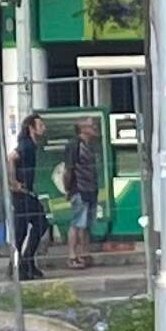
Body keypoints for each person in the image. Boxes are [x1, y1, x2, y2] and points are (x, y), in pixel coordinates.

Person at [8, 109, 53, 282]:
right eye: (40, 125)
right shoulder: (26, 145)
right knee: (31, 226)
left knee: (36, 224)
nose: (43, 128)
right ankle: (21, 264)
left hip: (27, 193)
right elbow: (10, 158)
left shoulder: (32, 146)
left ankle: (26, 261)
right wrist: (14, 182)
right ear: (31, 128)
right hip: (22, 194)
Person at [55, 114, 103, 269]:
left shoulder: (89, 145)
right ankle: (72, 254)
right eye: (91, 125)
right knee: (77, 222)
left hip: (90, 188)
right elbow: (68, 169)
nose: (95, 128)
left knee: (86, 223)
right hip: (79, 188)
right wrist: (68, 188)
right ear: (82, 129)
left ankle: (84, 252)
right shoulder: (75, 145)